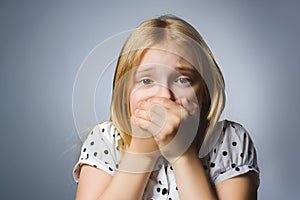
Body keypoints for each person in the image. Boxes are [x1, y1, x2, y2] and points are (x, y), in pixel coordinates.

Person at [73, 15, 260, 200]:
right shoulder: (104, 140)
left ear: (205, 91)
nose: (164, 95)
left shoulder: (228, 140)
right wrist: (141, 153)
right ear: (125, 94)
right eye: (146, 80)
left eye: (182, 80)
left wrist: (183, 154)